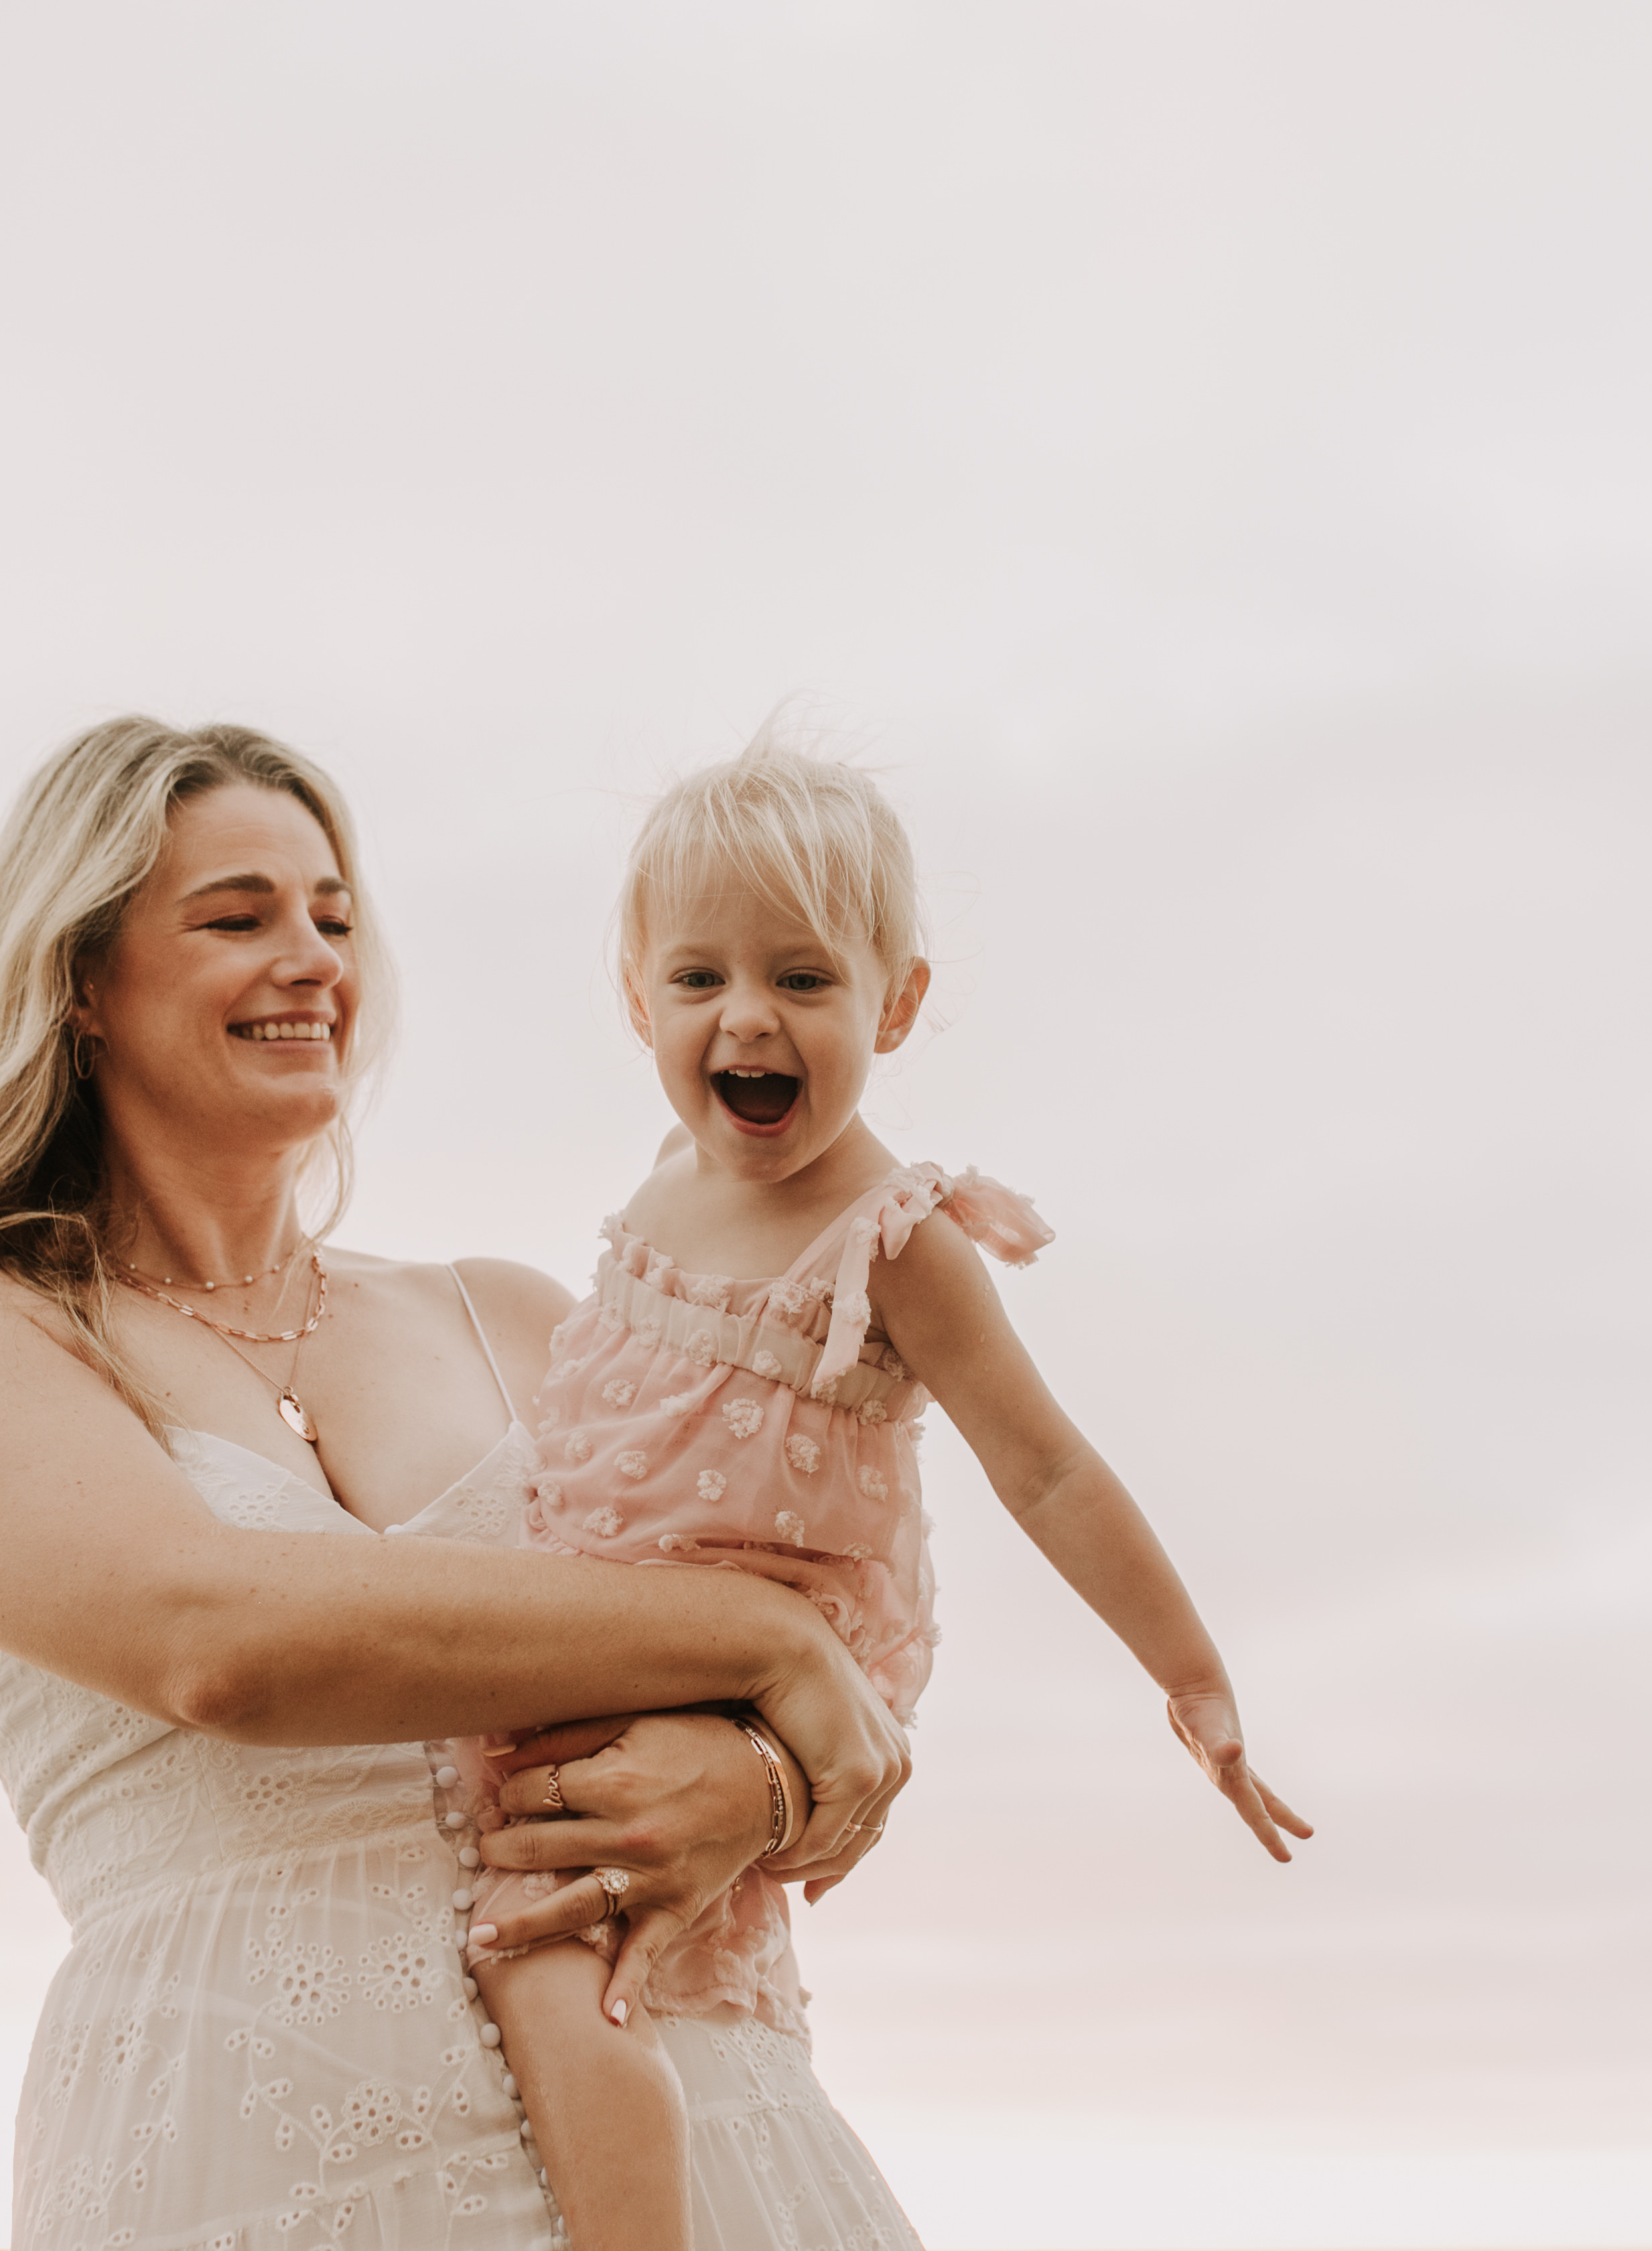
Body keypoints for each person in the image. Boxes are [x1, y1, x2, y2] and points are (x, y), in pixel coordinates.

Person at [0, 718, 923, 2251]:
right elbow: (219, 1643)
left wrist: (765, 1782)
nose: (313, 956)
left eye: (333, 914)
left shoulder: (512, 1316)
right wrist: (765, 1650)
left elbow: (831, 1622)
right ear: (79, 982)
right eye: (237, 917)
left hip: (698, 2129)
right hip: (253, 2157)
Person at [454, 740, 1313, 2251]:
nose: (748, 1019)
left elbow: (1045, 1465)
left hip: (744, 1680)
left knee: (560, 1961)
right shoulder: (671, 1166)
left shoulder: (894, 1237)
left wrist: (1194, 1679)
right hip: (595, 1636)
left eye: (803, 979)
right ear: (639, 998)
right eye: (700, 979)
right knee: (522, 1932)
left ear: (895, 1004)